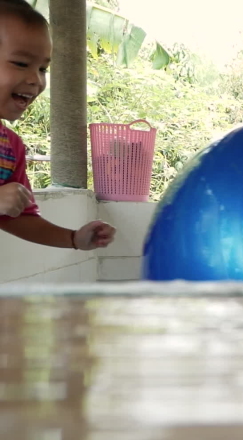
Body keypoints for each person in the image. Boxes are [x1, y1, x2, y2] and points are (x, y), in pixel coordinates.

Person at [0, 0, 114, 251]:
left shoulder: (10, 147)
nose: (35, 80)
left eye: (43, 68)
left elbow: (16, 216)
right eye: (21, 63)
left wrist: (73, 239)